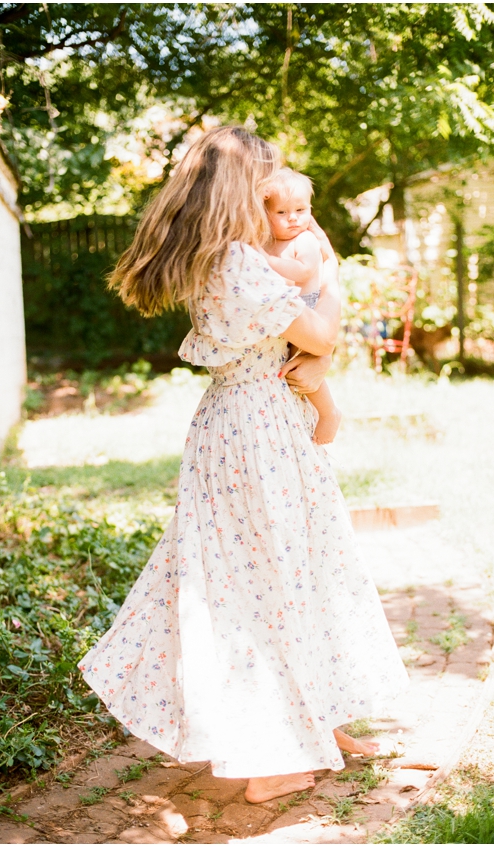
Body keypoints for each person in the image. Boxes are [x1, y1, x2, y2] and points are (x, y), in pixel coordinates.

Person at [79, 126, 407, 804]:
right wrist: (332, 274)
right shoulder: (240, 263)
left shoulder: (233, 257)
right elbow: (321, 334)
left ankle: (316, 721)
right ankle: (268, 758)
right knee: (264, 578)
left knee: (301, 565)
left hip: (258, 420)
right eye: (270, 190)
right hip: (255, 429)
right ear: (244, 194)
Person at [261, 167, 342, 444]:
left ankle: (328, 412)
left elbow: (304, 271)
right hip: (286, 309)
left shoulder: (304, 239)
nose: (293, 218)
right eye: (282, 213)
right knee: (289, 366)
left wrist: (266, 261)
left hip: (307, 306)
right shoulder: (268, 243)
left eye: (301, 209)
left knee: (302, 363)